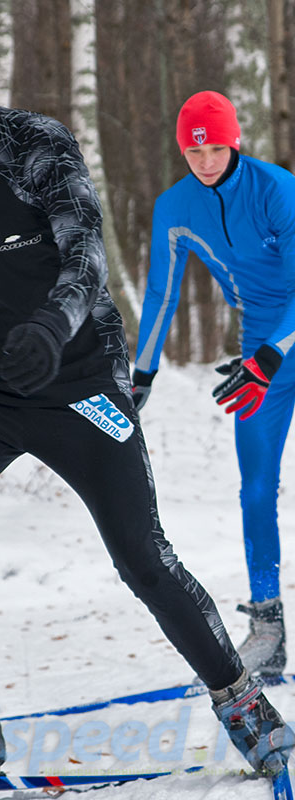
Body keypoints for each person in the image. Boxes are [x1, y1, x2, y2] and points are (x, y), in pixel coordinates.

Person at [0, 7, 292, 783]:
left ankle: (246, 708)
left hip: (77, 380)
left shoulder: (34, 146)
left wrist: (52, 326)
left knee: (141, 554)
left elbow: (84, 254)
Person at [132, 90, 295, 681]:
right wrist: (142, 373)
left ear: (235, 141)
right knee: (256, 488)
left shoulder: (276, 188)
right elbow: (162, 292)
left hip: (280, 345)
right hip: (261, 355)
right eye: (193, 150)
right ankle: (269, 627)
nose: (204, 160)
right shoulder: (175, 207)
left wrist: (273, 353)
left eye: (216, 146)